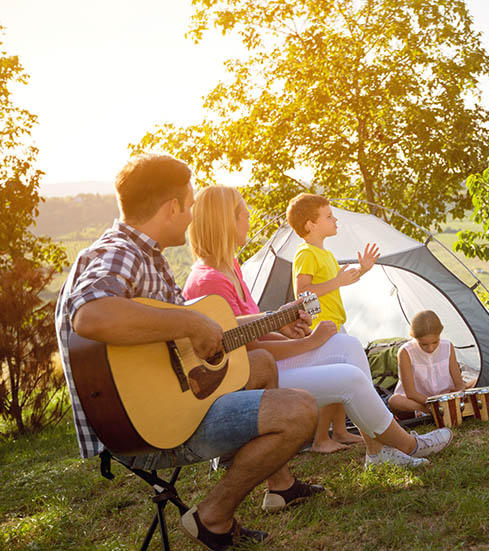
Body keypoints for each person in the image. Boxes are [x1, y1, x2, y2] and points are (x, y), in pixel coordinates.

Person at [55, 154, 320, 550]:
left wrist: (272, 319)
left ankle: (279, 485)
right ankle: (213, 514)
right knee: (301, 410)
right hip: (143, 428)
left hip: (167, 402)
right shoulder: (119, 252)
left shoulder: (150, 257)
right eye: (191, 204)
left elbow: (211, 331)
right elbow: (90, 316)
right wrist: (189, 324)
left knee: (261, 362)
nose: (193, 213)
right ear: (172, 208)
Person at [183, 185, 452, 469]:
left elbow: (250, 329)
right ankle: (409, 445)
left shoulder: (230, 267)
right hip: (248, 382)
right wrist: (308, 343)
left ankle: (377, 452)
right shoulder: (209, 281)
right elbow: (242, 351)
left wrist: (282, 328)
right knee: (349, 378)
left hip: (265, 364)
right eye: (244, 215)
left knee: (348, 346)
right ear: (225, 223)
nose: (249, 220)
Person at [287, 193, 381, 452]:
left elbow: (333, 284)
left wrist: (363, 270)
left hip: (336, 324)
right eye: (328, 216)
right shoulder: (305, 253)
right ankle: (321, 439)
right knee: (335, 381)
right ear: (310, 225)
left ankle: (340, 431)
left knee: (344, 376)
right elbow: (302, 293)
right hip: (322, 329)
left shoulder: (325, 254)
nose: (335, 219)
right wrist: (337, 282)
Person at [388, 310, 468, 416]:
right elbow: (411, 393)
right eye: (424, 344)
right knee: (394, 401)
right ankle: (431, 411)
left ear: (440, 334)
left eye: (435, 342)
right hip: (420, 401)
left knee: (476, 381)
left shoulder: (448, 346)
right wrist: (435, 404)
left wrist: (455, 395)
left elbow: (459, 385)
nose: (431, 348)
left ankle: (438, 411)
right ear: (414, 338)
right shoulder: (405, 351)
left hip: (446, 396)